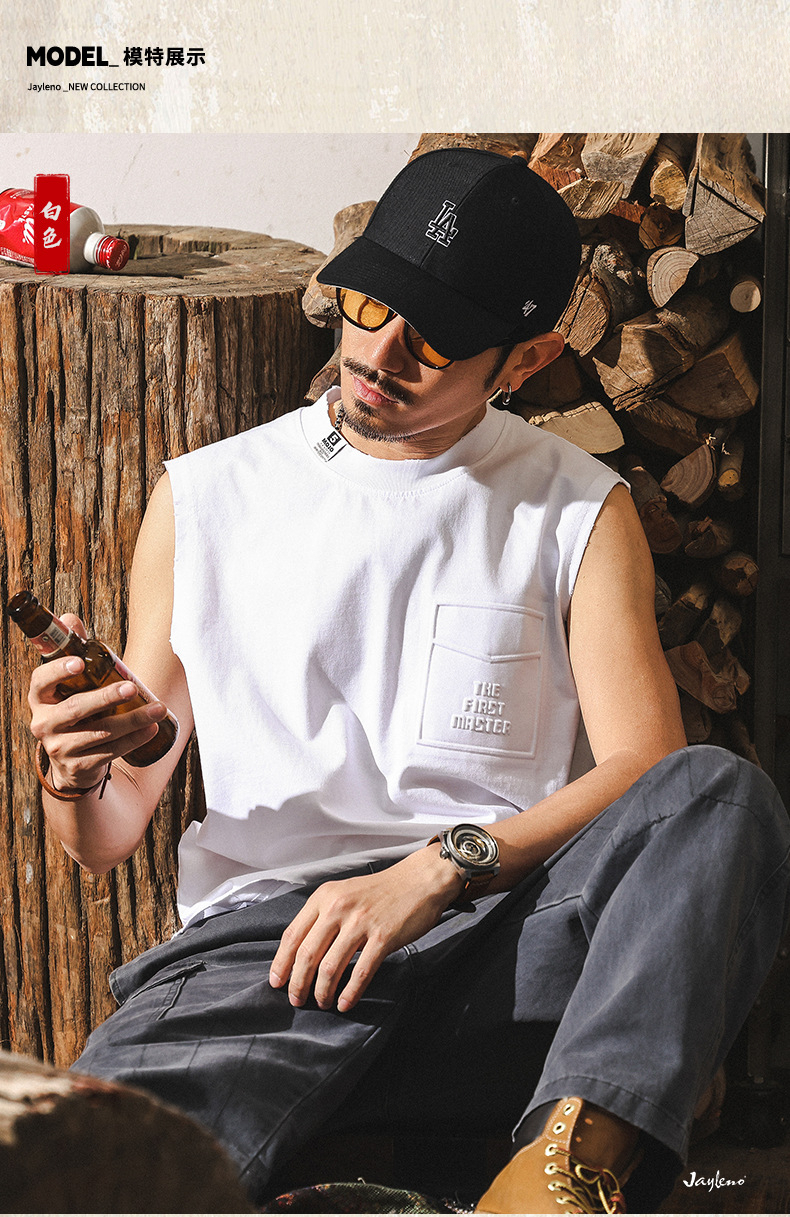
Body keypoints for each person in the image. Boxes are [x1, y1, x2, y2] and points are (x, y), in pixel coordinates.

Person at [27, 148, 790, 1214]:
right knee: (75, 1178)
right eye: (369, 302)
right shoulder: (207, 498)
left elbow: (647, 768)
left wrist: (439, 868)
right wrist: (73, 774)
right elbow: (109, 832)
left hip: (499, 954)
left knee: (719, 795)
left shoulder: (579, 507)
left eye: (433, 335)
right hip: (265, 965)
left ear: (528, 358)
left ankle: (562, 1179)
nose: (380, 352)